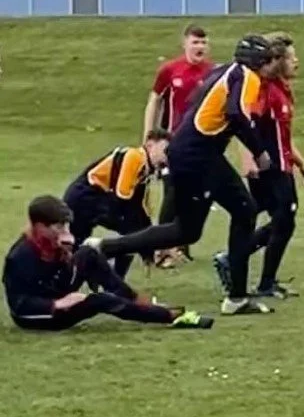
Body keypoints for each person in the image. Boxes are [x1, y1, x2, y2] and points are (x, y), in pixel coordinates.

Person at [89, 35, 280, 316]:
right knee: (244, 210)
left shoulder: (223, 71)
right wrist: (259, 152)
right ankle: (236, 297)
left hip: (188, 151)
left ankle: (103, 247)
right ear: (259, 61)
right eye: (268, 62)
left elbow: (197, 101)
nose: (270, 68)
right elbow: (236, 114)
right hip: (200, 154)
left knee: (187, 230)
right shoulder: (247, 76)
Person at [5, 196, 212, 331]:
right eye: (59, 226)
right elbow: (19, 306)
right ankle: (169, 316)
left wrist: (67, 254)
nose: (65, 231)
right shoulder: (20, 257)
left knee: (88, 253)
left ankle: (137, 300)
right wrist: (57, 304)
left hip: (57, 291)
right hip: (39, 315)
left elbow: (60, 273)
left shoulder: (54, 241)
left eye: (66, 225)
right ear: (40, 226)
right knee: (100, 300)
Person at [226, 33, 304, 300]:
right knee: (283, 219)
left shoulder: (283, 90)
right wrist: (247, 156)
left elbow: (284, 136)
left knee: (281, 220)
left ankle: (244, 264)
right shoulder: (263, 90)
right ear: (277, 60)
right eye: (291, 57)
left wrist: (302, 164)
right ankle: (248, 269)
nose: (296, 61)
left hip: (282, 165)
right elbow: (244, 122)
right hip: (270, 167)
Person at [144, 23, 214, 268]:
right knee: (172, 194)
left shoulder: (212, 72)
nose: (200, 47)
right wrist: (148, 137)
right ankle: (161, 249)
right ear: (185, 43)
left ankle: (181, 246)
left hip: (200, 145)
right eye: (195, 42)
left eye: (204, 42)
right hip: (173, 143)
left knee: (193, 195)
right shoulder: (170, 70)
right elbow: (154, 101)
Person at [64, 130, 170, 280]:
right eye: (165, 150)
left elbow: (140, 207)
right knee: (129, 235)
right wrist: (145, 240)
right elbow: (123, 197)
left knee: (131, 234)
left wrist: (149, 240)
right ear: (150, 145)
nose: (166, 156)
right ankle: (107, 273)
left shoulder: (145, 169)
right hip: (85, 197)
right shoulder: (135, 156)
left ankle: (108, 277)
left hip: (94, 198)